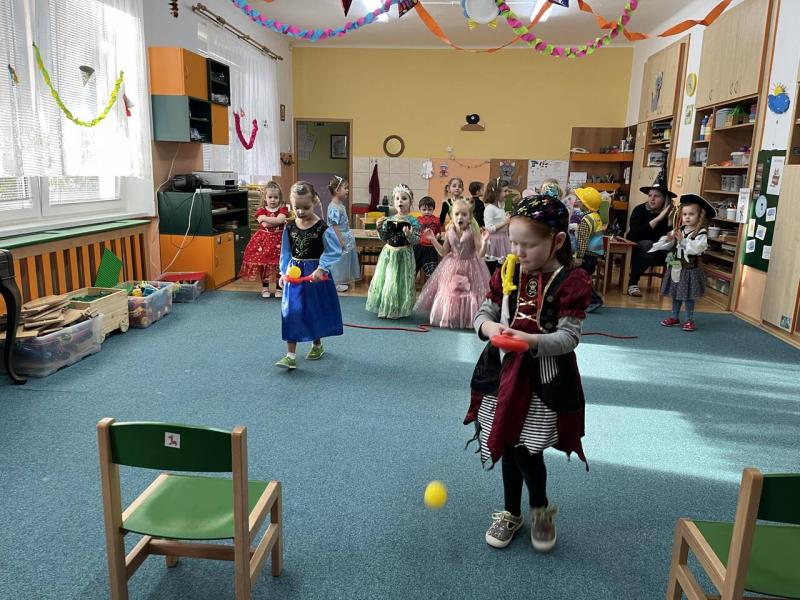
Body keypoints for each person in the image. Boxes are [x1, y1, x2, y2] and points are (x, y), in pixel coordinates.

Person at [464, 195, 591, 553]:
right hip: (501, 374)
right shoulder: (508, 271)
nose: (518, 252)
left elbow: (569, 337)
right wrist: (488, 328)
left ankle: (540, 510)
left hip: (542, 380)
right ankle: (511, 512)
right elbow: (483, 313)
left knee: (527, 450)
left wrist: (531, 340)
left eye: (528, 245)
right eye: (514, 243)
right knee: (508, 441)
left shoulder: (570, 280)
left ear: (558, 241)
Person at [275, 181, 343, 370]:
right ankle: (290, 355)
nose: (301, 211)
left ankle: (317, 344)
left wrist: (322, 268)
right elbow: (285, 252)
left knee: (314, 310)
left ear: (314, 202)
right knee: (291, 311)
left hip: (315, 275)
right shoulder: (289, 227)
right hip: (294, 275)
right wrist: (283, 272)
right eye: (297, 207)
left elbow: (334, 250)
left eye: (306, 207)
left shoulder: (322, 228)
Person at [414, 199, 490, 329]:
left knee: (471, 292)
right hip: (452, 265)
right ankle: (450, 317)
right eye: (457, 214)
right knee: (450, 291)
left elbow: (480, 254)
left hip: (471, 265)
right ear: (452, 217)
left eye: (464, 214)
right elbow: (443, 252)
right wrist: (432, 239)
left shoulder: (472, 231)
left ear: (470, 218)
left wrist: (484, 242)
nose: (460, 217)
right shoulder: (450, 232)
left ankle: (468, 319)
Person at [651, 194, 714, 332]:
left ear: (699, 216)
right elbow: (670, 244)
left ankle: (689, 320)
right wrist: (668, 239)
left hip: (690, 270)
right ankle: (674, 317)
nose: (687, 217)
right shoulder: (680, 230)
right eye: (685, 214)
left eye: (691, 214)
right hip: (676, 267)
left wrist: (682, 241)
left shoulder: (700, 233)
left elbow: (698, 247)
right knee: (676, 294)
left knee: (688, 296)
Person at [366, 184, 421, 319]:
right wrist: (379, 228)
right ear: (393, 202)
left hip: (404, 254)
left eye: (404, 198)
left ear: (410, 202)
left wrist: (409, 235)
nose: (400, 201)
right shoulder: (389, 220)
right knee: (388, 279)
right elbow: (384, 238)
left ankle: (399, 308)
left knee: (401, 280)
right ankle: (386, 306)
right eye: (397, 198)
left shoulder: (413, 221)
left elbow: (416, 240)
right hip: (389, 254)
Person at [626, 172, 676, 297]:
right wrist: (658, 218)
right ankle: (632, 283)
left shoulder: (669, 214)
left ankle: (671, 286)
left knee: (675, 249)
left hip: (658, 247)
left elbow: (669, 239)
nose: (652, 199)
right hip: (637, 246)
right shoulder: (639, 210)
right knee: (648, 245)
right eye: (650, 195)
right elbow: (634, 234)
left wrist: (669, 220)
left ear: (665, 199)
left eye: (656, 196)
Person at [238, 181, 289, 298]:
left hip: (280, 241)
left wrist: (266, 218)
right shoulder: (261, 210)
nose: (273, 200)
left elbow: (280, 220)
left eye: (275, 197)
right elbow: (265, 225)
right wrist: (276, 221)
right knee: (264, 265)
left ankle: (279, 288)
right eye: (270, 197)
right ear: (265, 198)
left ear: (280, 198)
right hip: (264, 241)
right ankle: (265, 288)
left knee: (278, 265)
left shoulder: (282, 209)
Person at [573, 186, 606, 312]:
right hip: (595, 254)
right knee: (584, 278)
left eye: (579, 200)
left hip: (587, 255)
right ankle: (585, 300)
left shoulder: (586, 220)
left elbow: (582, 240)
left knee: (582, 278)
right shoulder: (595, 216)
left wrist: (579, 257)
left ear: (585, 204)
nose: (577, 201)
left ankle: (594, 300)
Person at [326, 175, 361, 293]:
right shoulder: (334, 207)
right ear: (337, 190)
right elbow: (334, 225)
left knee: (344, 260)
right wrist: (340, 240)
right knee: (338, 261)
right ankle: (336, 282)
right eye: (345, 188)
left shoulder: (340, 205)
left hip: (345, 235)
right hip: (338, 237)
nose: (347, 190)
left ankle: (341, 280)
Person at [482, 178, 511, 275]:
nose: (507, 193)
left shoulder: (500, 206)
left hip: (502, 240)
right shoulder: (489, 209)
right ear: (496, 193)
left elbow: (500, 221)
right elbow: (489, 229)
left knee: (502, 269)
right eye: (505, 191)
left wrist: (506, 218)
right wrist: (505, 222)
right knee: (492, 270)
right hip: (493, 243)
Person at [414, 196, 441, 278]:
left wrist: (437, 237)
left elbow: (438, 232)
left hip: (430, 248)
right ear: (420, 209)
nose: (427, 212)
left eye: (430, 210)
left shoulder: (436, 220)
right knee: (413, 269)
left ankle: (430, 286)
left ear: (433, 209)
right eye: (424, 210)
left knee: (431, 273)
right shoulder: (417, 220)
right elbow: (415, 232)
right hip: (418, 246)